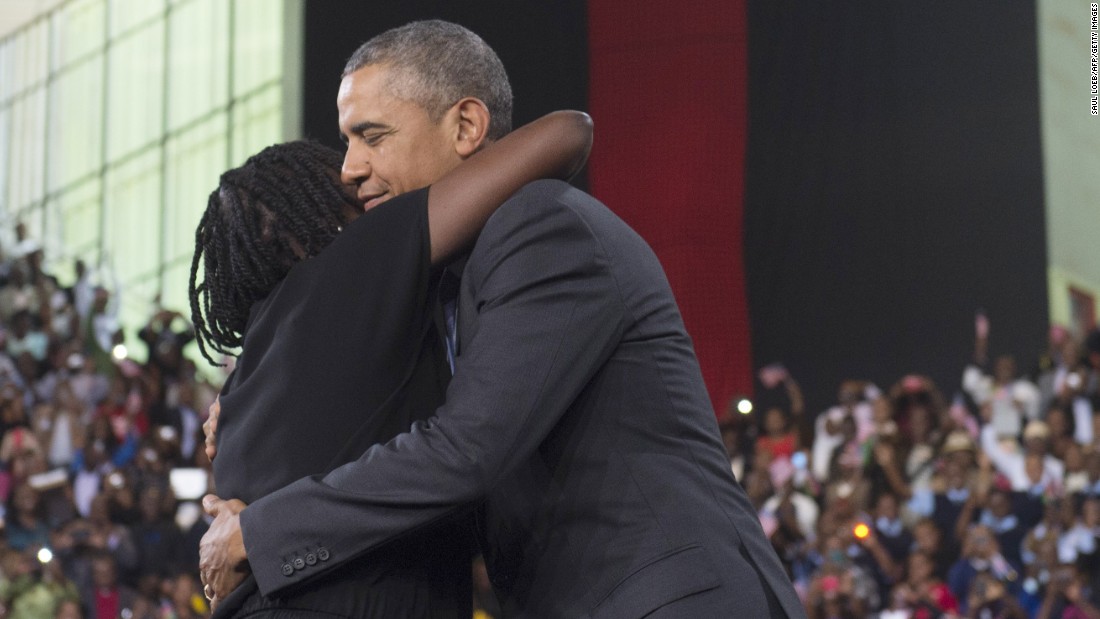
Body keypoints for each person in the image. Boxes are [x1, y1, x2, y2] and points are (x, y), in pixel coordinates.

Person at [200, 19, 804, 618]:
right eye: (348, 141)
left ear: (466, 125)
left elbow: (468, 448)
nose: (350, 168)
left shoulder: (541, 225)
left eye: (373, 136)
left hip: (670, 600)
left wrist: (265, 527)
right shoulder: (442, 291)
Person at [190, 99, 591, 616]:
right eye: (335, 178)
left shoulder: (242, 389)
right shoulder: (357, 260)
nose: (354, 177)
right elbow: (566, 131)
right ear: (298, 221)